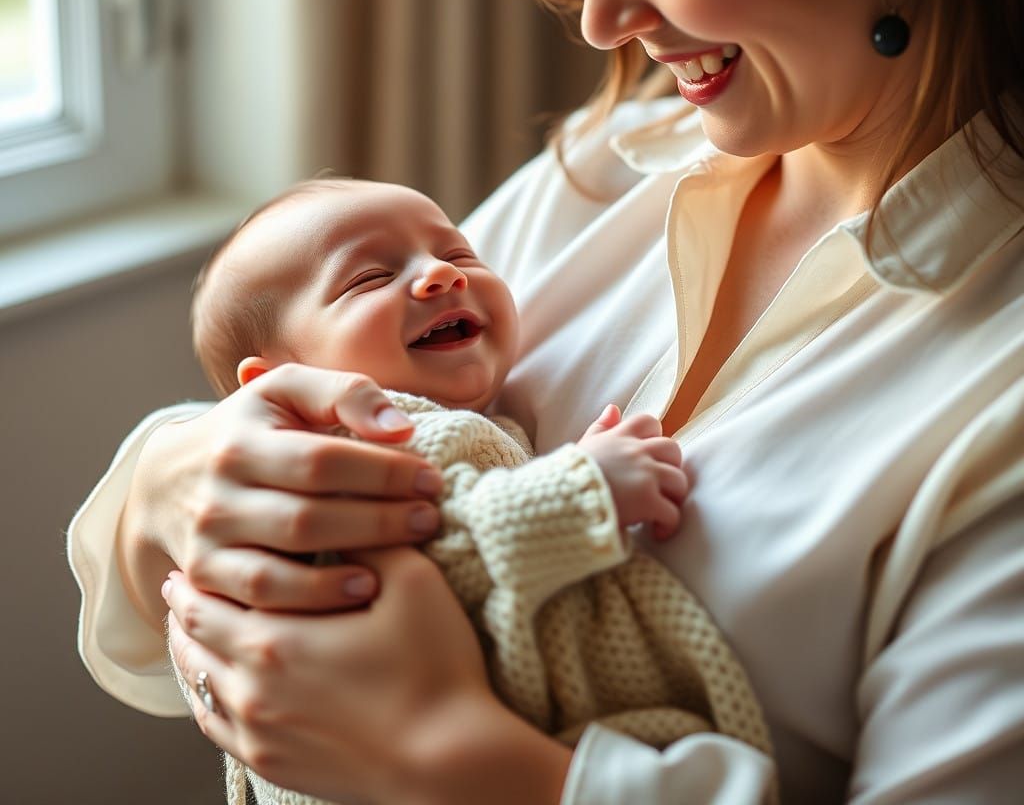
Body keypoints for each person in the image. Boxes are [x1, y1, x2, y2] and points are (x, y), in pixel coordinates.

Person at [67, 0, 1024, 802]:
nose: (600, 21)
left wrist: (443, 758)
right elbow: (315, 399)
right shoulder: (604, 172)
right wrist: (167, 486)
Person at [182, 174, 771, 805]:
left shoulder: (471, 427)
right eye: (369, 279)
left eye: (459, 253)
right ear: (278, 381)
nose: (441, 275)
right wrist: (580, 487)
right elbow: (434, 547)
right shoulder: (341, 456)